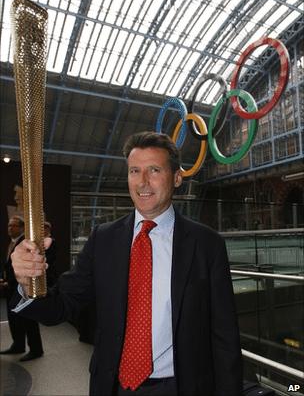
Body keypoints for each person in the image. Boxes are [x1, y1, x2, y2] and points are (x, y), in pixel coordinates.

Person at [10, 132, 242, 395]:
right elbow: (61, 306)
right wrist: (28, 282)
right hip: (112, 385)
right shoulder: (103, 239)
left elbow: (225, 336)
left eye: (154, 170)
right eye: (134, 171)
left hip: (182, 386)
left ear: (177, 178)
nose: (143, 182)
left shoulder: (206, 244)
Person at [0, 215, 44, 361]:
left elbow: (27, 266)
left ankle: (36, 350)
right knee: (14, 318)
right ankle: (18, 345)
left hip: (23, 288)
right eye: (9, 225)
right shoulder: (11, 243)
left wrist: (9, 282)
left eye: (13, 225)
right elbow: (9, 265)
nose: (10, 228)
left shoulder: (25, 243)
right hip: (10, 288)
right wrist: (5, 279)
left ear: (22, 228)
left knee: (28, 319)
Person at [44, 221, 58, 287]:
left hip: (49, 271)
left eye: (44, 228)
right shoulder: (42, 241)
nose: (43, 231)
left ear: (48, 229)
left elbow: (52, 256)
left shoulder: (52, 241)